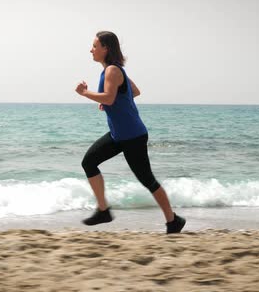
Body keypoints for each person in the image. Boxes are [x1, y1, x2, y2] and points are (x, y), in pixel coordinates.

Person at [75, 31, 186, 234]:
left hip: (133, 136)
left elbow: (109, 98)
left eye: (94, 46)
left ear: (105, 48)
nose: (91, 50)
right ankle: (103, 210)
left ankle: (173, 220)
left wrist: (86, 93)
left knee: (147, 180)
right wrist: (112, 101)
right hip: (119, 135)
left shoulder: (112, 71)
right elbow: (133, 92)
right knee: (89, 162)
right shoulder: (114, 70)